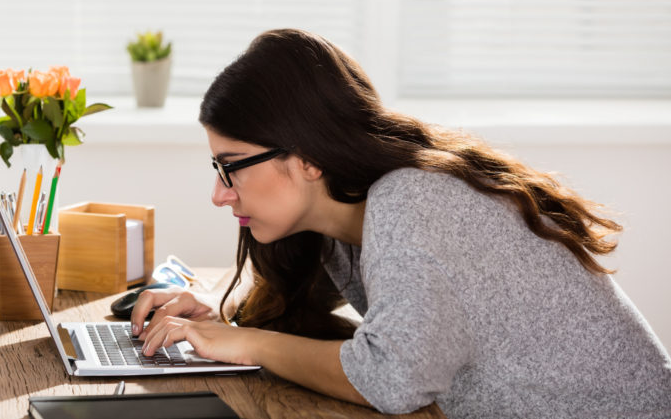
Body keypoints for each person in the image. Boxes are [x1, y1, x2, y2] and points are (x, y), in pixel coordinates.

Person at [130, 29, 671, 418]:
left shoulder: (411, 200)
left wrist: (246, 342)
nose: (219, 194)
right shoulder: (345, 220)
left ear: (307, 158)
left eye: (231, 167)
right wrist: (213, 312)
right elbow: (303, 307)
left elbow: (394, 379)